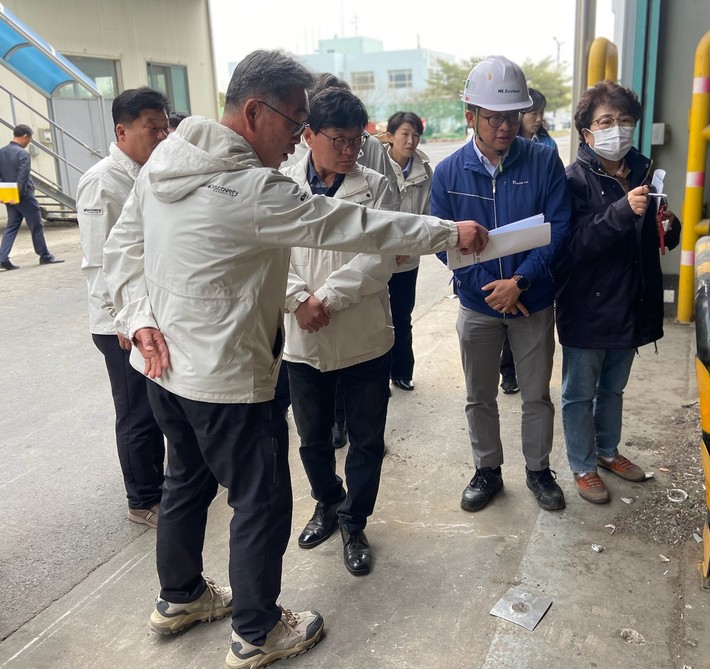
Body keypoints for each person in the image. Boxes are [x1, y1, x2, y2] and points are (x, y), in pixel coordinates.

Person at [102, 49, 487, 668]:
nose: (297, 137)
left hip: (167, 372)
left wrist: (138, 316)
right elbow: (350, 225)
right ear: (255, 112)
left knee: (186, 483)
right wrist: (447, 232)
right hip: (228, 380)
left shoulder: (169, 159)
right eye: (295, 120)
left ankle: (181, 597)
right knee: (261, 501)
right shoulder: (253, 188)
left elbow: (124, 245)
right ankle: (257, 633)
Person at [431, 55, 571, 513]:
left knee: (536, 395)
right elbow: (443, 241)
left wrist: (520, 283)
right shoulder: (449, 172)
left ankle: (538, 470)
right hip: (478, 305)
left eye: (512, 116)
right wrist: (492, 289)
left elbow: (559, 228)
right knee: (479, 396)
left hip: (533, 300)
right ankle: (487, 469)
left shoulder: (544, 161)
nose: (505, 127)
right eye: (493, 117)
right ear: (470, 115)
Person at [282, 87, 396, 577]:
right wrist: (296, 299)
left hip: (363, 335)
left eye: (357, 140)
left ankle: (354, 520)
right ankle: (327, 501)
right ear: (309, 135)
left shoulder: (378, 187)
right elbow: (265, 252)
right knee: (312, 437)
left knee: (367, 439)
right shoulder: (280, 184)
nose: (350, 151)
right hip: (302, 335)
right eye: (339, 140)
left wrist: (323, 299)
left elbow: (382, 256)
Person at [555, 81, 681, 504]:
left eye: (624, 120)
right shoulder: (572, 181)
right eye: (606, 121)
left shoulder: (642, 173)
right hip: (587, 306)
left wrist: (668, 226)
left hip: (630, 303)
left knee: (613, 389)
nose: (617, 129)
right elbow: (570, 248)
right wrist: (621, 211)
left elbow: (655, 237)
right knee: (579, 393)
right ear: (587, 133)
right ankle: (582, 464)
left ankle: (607, 451)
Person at [76, 87, 170, 528]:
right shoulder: (102, 181)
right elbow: (98, 262)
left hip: (145, 312)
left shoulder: (150, 173)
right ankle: (143, 499)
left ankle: (161, 485)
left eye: (165, 127)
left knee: (157, 405)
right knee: (137, 413)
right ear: (122, 131)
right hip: (120, 322)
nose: (162, 136)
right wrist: (123, 321)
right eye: (153, 128)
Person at [500, 87, 558, 395]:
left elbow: (557, 213)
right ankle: (508, 371)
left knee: (528, 312)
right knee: (504, 310)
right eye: (533, 113)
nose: (538, 119)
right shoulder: (502, 150)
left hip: (537, 250)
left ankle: (527, 375)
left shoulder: (547, 147)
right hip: (506, 248)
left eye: (541, 113)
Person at [383, 111, 432, 392]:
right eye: (405, 134)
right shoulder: (375, 165)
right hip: (377, 257)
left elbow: (427, 216)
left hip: (407, 260)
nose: (411, 141)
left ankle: (402, 372)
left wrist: (410, 248)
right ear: (390, 136)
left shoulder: (425, 172)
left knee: (402, 317)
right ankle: (378, 376)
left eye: (416, 135)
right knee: (377, 319)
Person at [0, 125, 64, 270]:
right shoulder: (22, 154)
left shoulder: (1, 152)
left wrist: (4, 195)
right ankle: (44, 255)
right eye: (29, 139)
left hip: (9, 196)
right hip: (24, 196)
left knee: (11, 226)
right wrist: (17, 195)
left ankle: (2, 258)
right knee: (36, 225)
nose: (29, 142)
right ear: (25, 137)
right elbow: (22, 177)